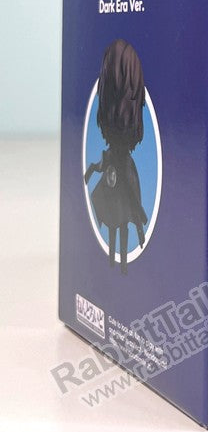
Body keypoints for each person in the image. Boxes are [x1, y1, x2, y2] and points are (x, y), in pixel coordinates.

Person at [84, 40, 148, 275]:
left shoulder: (123, 161)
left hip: (120, 168)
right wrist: (92, 170)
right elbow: (101, 165)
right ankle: (117, 266)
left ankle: (119, 266)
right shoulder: (114, 155)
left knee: (122, 221)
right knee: (117, 222)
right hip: (116, 168)